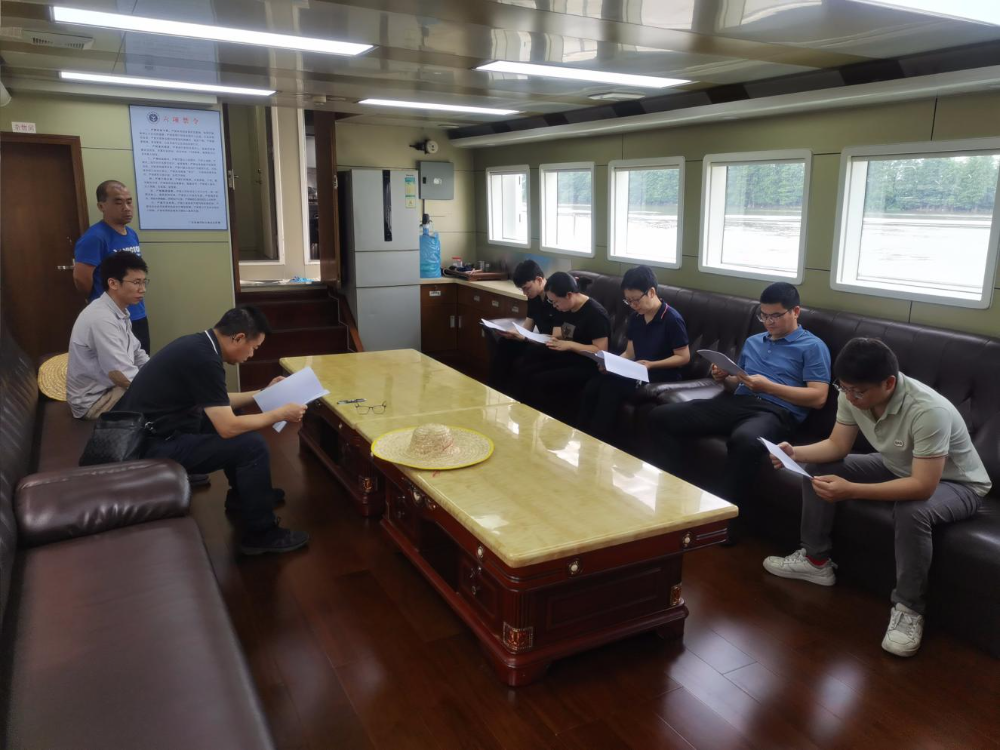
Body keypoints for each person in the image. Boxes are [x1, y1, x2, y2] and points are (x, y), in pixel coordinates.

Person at [763, 338, 990, 657]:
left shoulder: (928, 410)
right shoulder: (850, 393)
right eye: (844, 388)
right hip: (898, 466)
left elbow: (923, 487)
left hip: (959, 484)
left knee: (912, 510)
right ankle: (815, 561)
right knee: (819, 468)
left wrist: (851, 489)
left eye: (858, 392)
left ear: (889, 383)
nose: (850, 397)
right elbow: (837, 446)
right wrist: (794, 453)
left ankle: (909, 608)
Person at [114, 306, 309, 555]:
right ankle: (262, 534)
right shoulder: (204, 359)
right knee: (252, 446)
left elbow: (217, 401)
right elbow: (227, 428)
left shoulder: (198, 346)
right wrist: (280, 414)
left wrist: (264, 393)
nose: (252, 354)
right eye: (253, 348)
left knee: (232, 419)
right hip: (146, 447)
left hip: (148, 434)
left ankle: (244, 497)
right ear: (238, 337)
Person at [647, 282, 830, 539]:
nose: (769, 322)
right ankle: (671, 499)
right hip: (738, 403)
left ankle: (722, 526)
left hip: (776, 412)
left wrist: (769, 387)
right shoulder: (754, 342)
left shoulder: (812, 347)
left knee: (745, 440)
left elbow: (819, 397)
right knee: (661, 416)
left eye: (776, 316)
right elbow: (737, 384)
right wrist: (723, 377)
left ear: (795, 311)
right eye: (764, 316)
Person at [578, 266, 690, 443]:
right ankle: (582, 434)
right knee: (594, 384)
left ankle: (598, 441)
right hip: (637, 372)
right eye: (628, 301)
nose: (633, 305)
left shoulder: (672, 319)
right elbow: (630, 353)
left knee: (610, 389)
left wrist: (652, 364)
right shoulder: (636, 318)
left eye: (636, 300)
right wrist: (612, 364)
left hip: (660, 377)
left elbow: (684, 357)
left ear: (651, 292)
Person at [67, 251, 149, 419]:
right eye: (136, 282)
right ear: (113, 283)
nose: (143, 289)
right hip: (96, 402)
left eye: (143, 282)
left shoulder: (117, 311)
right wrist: (160, 388)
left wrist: (159, 373)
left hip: (112, 387)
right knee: (168, 403)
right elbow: (121, 374)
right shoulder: (101, 319)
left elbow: (137, 353)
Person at [515, 272, 611, 417]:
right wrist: (553, 340)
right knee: (526, 369)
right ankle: (522, 415)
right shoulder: (565, 307)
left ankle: (543, 420)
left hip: (587, 364)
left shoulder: (596, 314)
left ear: (569, 295)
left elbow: (600, 350)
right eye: (552, 302)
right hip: (568, 356)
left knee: (540, 380)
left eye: (555, 302)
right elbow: (562, 334)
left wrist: (570, 345)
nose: (554, 306)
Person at [73, 180, 150, 354]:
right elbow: (81, 279)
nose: (126, 208)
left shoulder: (132, 234)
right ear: (102, 206)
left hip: (136, 313)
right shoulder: (94, 237)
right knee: (118, 366)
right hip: (110, 317)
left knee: (142, 362)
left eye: (129, 202)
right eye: (118, 202)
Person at [487, 260, 561, 396]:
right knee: (505, 343)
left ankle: (515, 396)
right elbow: (528, 327)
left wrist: (525, 337)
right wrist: (514, 333)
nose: (525, 293)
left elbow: (557, 338)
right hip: (537, 340)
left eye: (527, 288)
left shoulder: (556, 298)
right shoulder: (534, 297)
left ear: (539, 280)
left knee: (529, 355)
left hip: (551, 345)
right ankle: (494, 389)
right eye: (522, 289)